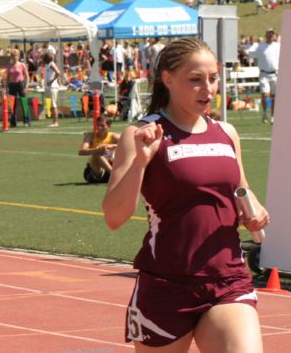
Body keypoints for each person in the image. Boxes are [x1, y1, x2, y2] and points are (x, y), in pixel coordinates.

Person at [102, 37, 269, 351]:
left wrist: (254, 210)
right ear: (168, 79)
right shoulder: (141, 135)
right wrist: (140, 161)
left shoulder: (227, 133)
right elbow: (114, 217)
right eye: (195, 80)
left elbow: (242, 191)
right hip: (166, 286)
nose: (207, 88)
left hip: (227, 280)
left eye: (213, 79)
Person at [247, 28, 280, 124]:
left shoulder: (278, 46)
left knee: (274, 96)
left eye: (272, 34)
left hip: (276, 74)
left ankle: (273, 116)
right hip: (264, 74)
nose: (270, 36)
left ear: (274, 35)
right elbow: (251, 53)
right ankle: (265, 112)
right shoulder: (261, 46)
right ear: (266, 35)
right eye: (269, 34)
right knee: (265, 95)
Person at [78, 115, 119, 183]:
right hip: (97, 171)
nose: (99, 128)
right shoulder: (90, 136)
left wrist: (112, 146)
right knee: (96, 153)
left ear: (109, 126)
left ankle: (115, 174)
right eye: (98, 125)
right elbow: (81, 152)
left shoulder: (113, 136)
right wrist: (96, 150)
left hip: (110, 166)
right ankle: (114, 175)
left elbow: (129, 143)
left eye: (102, 125)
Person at [5, 49, 30, 127]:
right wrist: (6, 88)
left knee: (24, 103)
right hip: (12, 85)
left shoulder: (22, 65)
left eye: (16, 55)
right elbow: (7, 78)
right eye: (13, 56)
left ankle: (26, 121)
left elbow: (27, 77)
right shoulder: (9, 66)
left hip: (20, 84)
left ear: (18, 56)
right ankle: (13, 122)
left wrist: (26, 86)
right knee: (12, 105)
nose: (14, 57)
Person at [43, 52, 63, 127]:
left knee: (54, 105)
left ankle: (56, 122)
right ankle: (54, 121)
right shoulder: (47, 65)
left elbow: (58, 72)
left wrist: (52, 81)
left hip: (52, 87)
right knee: (51, 105)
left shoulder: (51, 64)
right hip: (49, 87)